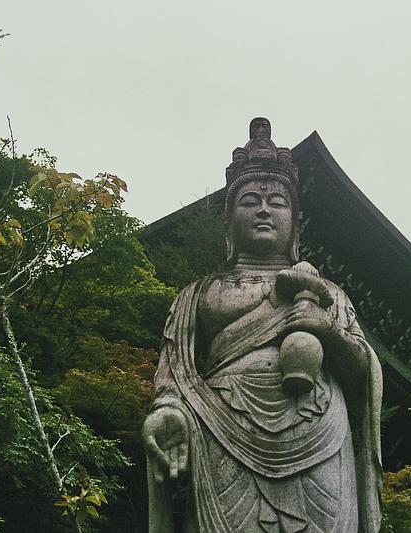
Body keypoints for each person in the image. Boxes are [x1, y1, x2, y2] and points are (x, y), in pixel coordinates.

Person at [142, 118, 382, 532]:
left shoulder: (327, 294)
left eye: (278, 202)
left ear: (295, 224)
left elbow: (364, 375)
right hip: (221, 427)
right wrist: (167, 413)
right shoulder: (199, 294)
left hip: (320, 427)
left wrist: (327, 331)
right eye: (250, 200)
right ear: (228, 222)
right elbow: (173, 376)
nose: (265, 210)